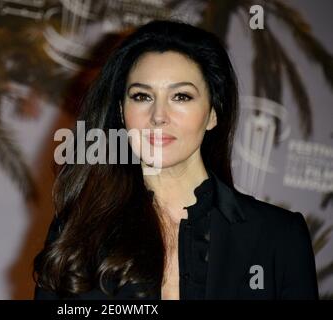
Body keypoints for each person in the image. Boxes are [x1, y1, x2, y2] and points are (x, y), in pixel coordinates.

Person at [33, 20, 319, 300]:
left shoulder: (278, 237)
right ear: (121, 113)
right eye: (142, 96)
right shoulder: (78, 230)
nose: (159, 116)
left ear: (213, 114)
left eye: (181, 96)